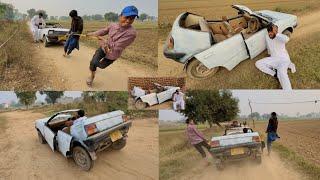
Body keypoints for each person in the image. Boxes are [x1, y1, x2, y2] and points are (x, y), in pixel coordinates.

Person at [86, 5, 138, 86]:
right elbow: (103, 31)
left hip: (113, 54)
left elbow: (116, 47)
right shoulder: (113, 25)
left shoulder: (131, 33)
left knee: (101, 66)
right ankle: (92, 76)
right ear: (120, 16)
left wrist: (102, 40)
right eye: (126, 17)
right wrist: (92, 34)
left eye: (131, 18)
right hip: (103, 49)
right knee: (93, 62)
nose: (128, 20)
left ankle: (95, 67)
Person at [255, 23, 296, 90]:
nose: (270, 34)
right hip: (273, 59)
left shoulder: (281, 37)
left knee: (282, 72)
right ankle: (275, 74)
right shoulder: (267, 36)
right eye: (269, 32)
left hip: (284, 59)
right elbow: (269, 48)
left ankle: (288, 91)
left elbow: (286, 39)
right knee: (258, 63)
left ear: (276, 31)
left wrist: (276, 33)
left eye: (272, 32)